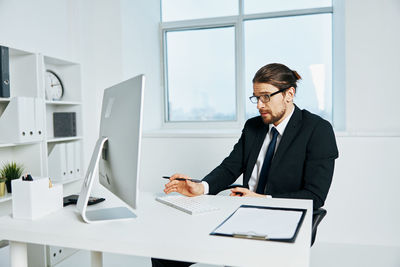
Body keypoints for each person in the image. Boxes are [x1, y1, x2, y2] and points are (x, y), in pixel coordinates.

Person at [152, 63, 339, 267]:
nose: (259, 105)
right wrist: (200, 187)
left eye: (266, 96)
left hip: (281, 217)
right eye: (256, 98)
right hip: (241, 211)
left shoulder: (317, 130)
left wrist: (262, 199)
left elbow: (315, 195)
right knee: (164, 253)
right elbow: (230, 167)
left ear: (289, 94)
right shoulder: (253, 126)